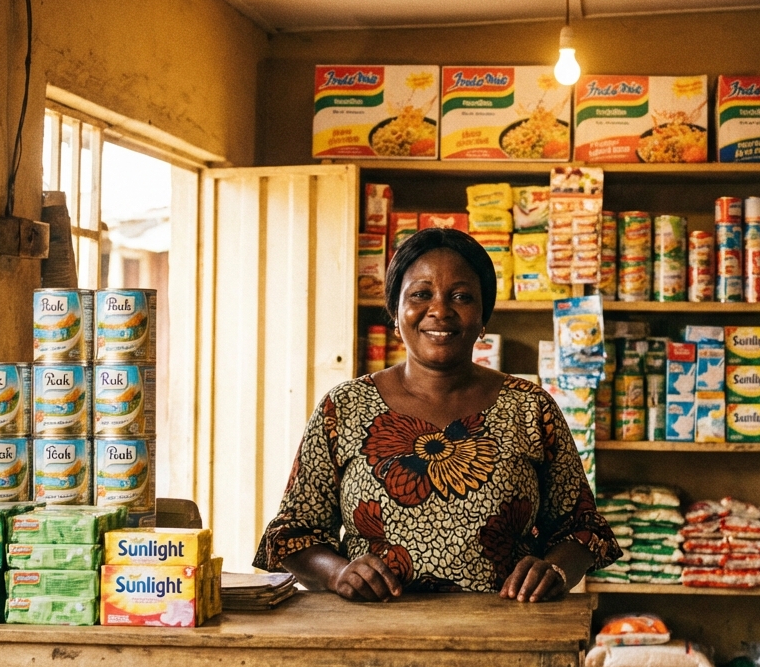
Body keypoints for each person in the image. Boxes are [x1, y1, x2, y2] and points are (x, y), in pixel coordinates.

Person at [254, 226, 620, 600]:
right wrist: (337, 573)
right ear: (395, 312)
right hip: (371, 626)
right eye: (421, 294)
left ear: (483, 316)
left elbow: (583, 530)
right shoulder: (344, 406)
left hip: (505, 626)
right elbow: (292, 535)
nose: (440, 310)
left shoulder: (530, 407)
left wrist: (555, 569)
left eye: (461, 296)